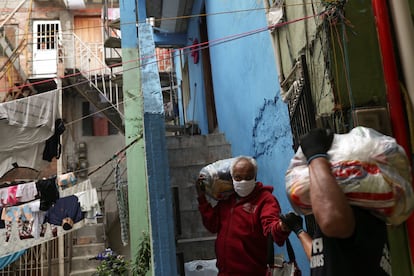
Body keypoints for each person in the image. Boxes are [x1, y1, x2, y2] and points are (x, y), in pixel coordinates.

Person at [280, 128, 392, 276]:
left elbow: (331, 220)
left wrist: (315, 156)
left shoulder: (352, 213)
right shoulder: (364, 223)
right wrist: (299, 231)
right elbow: (319, 258)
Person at [196, 156, 291, 276]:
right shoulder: (227, 200)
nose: (243, 182)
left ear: (255, 177)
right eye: (238, 178)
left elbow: (270, 226)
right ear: (232, 178)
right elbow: (212, 225)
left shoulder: (265, 200)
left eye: (248, 177)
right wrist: (202, 199)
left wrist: (281, 228)